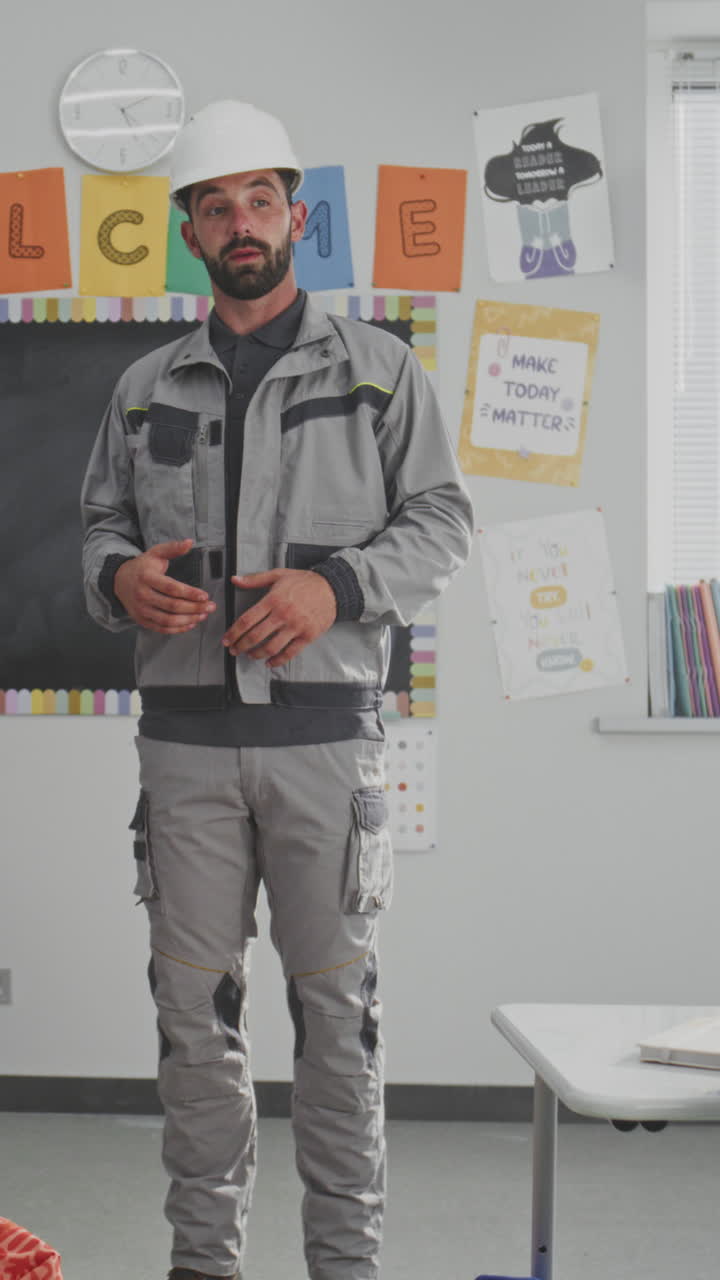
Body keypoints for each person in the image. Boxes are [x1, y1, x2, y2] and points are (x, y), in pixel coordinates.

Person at [81, 100, 474, 1280]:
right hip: (185, 753)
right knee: (193, 1024)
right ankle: (203, 1261)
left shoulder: (380, 370)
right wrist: (120, 576)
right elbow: (99, 527)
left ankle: (344, 1263)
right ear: (190, 232)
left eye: (261, 200)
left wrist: (334, 586)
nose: (241, 222)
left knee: (338, 1023)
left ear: (297, 219)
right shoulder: (143, 384)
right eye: (217, 206)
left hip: (326, 750)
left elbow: (444, 522)